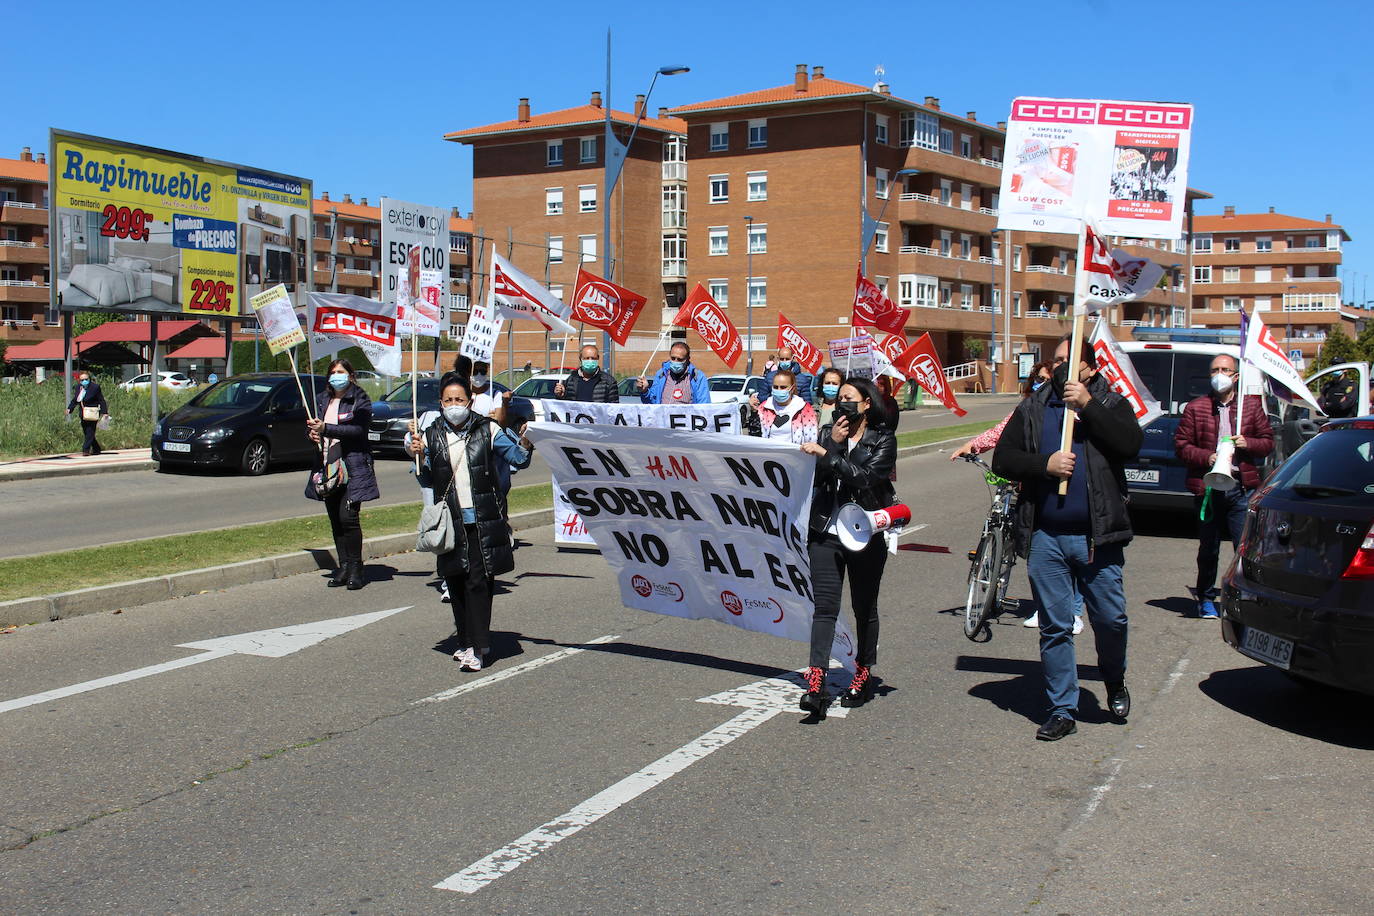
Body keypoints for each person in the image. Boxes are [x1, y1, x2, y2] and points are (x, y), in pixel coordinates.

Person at [992, 334, 1142, 741]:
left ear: (1089, 369)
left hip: (1098, 538)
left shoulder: (1109, 403)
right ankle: (1062, 708)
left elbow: (1130, 444)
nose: (1059, 368)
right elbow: (1003, 459)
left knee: (1111, 620)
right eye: (1056, 361)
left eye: (1069, 360)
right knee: (1055, 627)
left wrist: (1088, 406)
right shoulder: (1034, 407)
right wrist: (1045, 464)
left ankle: (1114, 679)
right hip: (1048, 536)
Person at [407, 372, 532, 671]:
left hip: (482, 519)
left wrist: (527, 439)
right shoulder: (431, 433)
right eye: (448, 400)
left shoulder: (487, 429)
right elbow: (427, 478)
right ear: (440, 403)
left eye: (459, 399)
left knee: (478, 581)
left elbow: (519, 458)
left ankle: (477, 647)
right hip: (450, 523)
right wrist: (418, 456)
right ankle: (466, 641)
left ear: (470, 400)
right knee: (456, 581)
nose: (454, 405)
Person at [950, 361, 1082, 633]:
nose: (1040, 385)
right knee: (1029, 545)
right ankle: (1039, 602)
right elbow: (1000, 432)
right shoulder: (1026, 409)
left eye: (1046, 380)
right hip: (1024, 482)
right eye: (1037, 380)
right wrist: (972, 446)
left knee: (1059, 551)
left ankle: (1071, 611)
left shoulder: (1068, 411)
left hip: (1054, 488)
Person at [797, 377, 897, 714]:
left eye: (849, 398)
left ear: (866, 403)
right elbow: (818, 478)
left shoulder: (883, 439)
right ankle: (817, 681)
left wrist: (831, 453)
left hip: (865, 534)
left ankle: (864, 672)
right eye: (839, 398)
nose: (842, 403)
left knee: (864, 607)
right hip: (826, 531)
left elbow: (865, 478)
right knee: (824, 608)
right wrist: (833, 444)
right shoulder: (830, 433)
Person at [1173, 353, 1274, 619]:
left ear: (1236, 375)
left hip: (1241, 490)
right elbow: (1181, 447)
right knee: (1208, 549)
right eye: (1215, 369)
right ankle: (1205, 598)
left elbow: (1267, 443)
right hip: (1209, 488)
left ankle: (1243, 597)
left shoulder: (1250, 407)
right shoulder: (1196, 408)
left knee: (1245, 548)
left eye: (1226, 369)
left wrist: (1248, 444)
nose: (1220, 374)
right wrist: (1207, 457)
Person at [305, 359, 379, 590]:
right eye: (333, 372)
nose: (336, 375)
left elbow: (358, 429)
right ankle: (344, 566)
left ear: (350, 375)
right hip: (328, 465)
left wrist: (326, 429)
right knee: (335, 519)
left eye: (341, 372)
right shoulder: (322, 399)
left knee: (348, 518)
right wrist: (313, 435)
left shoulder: (360, 399)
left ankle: (357, 568)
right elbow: (313, 427)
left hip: (352, 465)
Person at [745, 367, 818, 444]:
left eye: (783, 387)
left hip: (794, 454)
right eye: (775, 387)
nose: (779, 390)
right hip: (768, 454)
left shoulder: (804, 408)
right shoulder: (764, 407)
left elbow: (811, 440)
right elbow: (754, 438)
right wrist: (754, 412)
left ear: (792, 388)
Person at [637, 341, 710, 404]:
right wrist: (645, 391)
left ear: (687, 359)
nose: (675, 361)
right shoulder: (661, 374)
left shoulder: (697, 377)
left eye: (679, 359)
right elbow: (652, 403)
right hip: (664, 419)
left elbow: (704, 406)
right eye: (673, 358)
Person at [66, 371, 109, 456]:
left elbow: (101, 400)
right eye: (82, 380)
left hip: (93, 412)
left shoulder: (95, 387)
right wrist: (69, 409)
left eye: (86, 379)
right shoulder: (79, 387)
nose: (84, 381)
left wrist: (104, 412)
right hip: (83, 413)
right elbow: (76, 400)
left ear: (89, 379)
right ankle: (96, 448)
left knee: (90, 431)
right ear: (79, 381)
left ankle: (85, 450)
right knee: (86, 432)